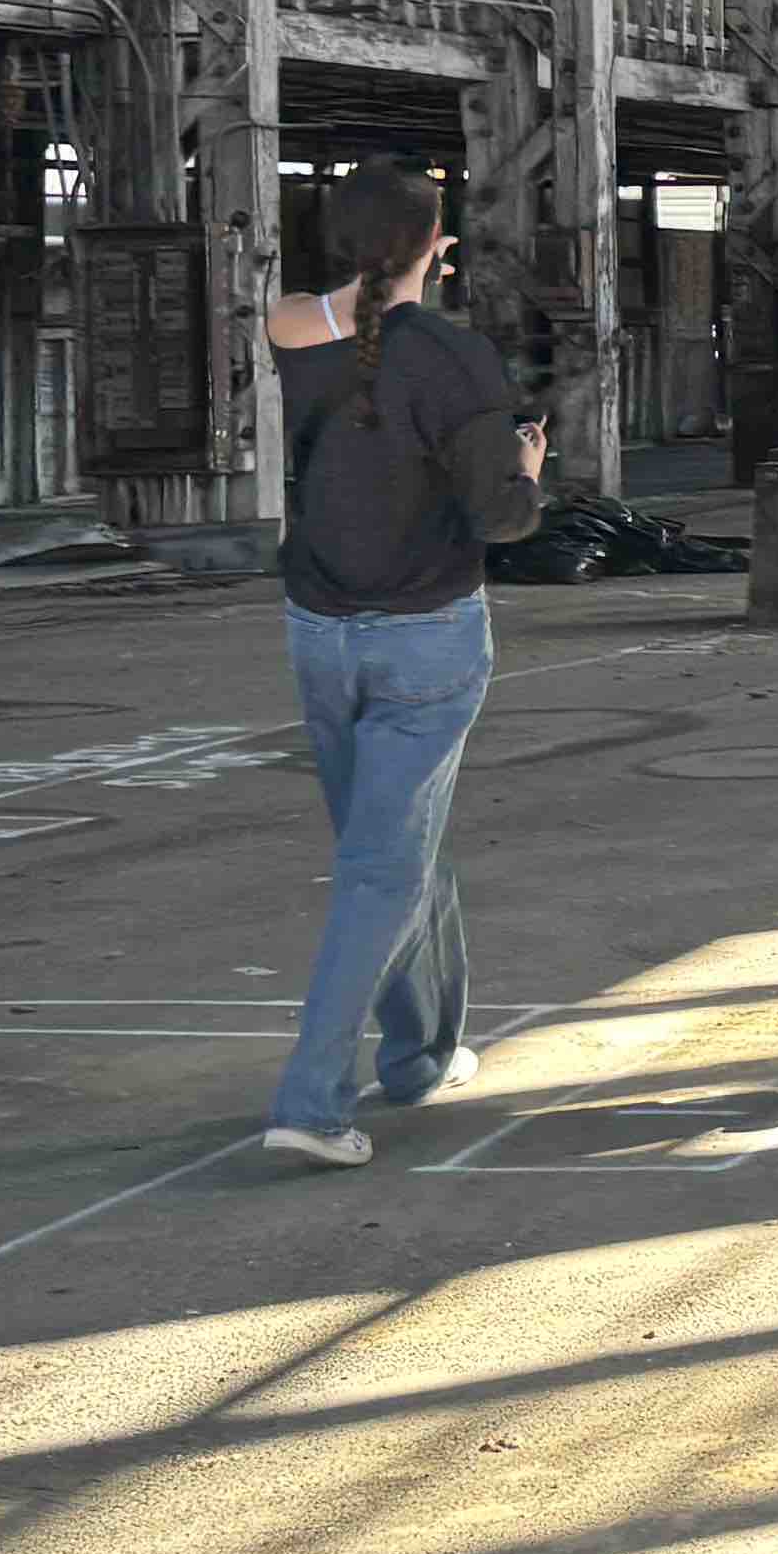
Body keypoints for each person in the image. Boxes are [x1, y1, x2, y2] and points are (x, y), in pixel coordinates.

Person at [263, 166, 545, 1166]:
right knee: (383, 865)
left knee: (399, 840)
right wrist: (529, 469)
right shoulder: (455, 360)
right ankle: (312, 1101)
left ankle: (421, 1057)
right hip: (425, 633)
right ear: (438, 246)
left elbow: (338, 331)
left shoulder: (289, 327)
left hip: (318, 626)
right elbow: (500, 517)